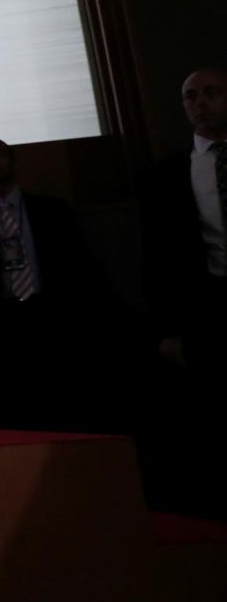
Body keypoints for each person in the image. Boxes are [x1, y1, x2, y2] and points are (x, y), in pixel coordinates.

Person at [0, 138, 104, 431]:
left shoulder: (53, 213)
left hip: (50, 321)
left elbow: (81, 272)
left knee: (63, 414)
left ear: (13, 161)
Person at [137, 68, 227, 515]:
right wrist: (167, 329)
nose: (200, 103)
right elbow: (157, 261)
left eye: (211, 93)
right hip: (207, 312)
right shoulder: (166, 176)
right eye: (191, 96)